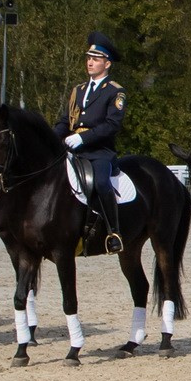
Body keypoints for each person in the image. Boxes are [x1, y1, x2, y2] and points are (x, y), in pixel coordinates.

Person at [60, 31, 126, 256]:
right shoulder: (78, 90)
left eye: (96, 59)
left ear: (107, 64)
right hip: (73, 150)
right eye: (89, 57)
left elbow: (112, 125)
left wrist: (83, 137)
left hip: (99, 151)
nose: (90, 62)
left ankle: (113, 233)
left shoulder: (115, 91)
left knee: (101, 183)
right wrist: (52, 138)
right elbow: (65, 121)